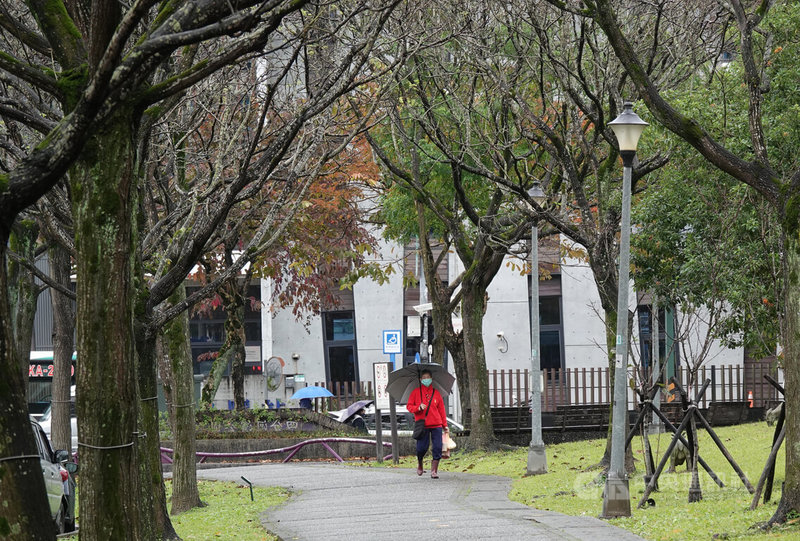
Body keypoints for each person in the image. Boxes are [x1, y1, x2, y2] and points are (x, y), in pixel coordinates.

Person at [406, 369, 448, 479]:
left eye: (428, 377)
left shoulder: (436, 393)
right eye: (424, 378)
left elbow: (442, 410)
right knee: (421, 448)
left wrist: (445, 425)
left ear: (431, 379)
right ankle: (420, 462)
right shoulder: (415, 392)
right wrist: (418, 407)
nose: (426, 380)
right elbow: (409, 407)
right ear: (420, 380)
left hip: (436, 424)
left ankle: (434, 470)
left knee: (438, 447)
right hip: (422, 425)